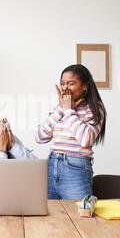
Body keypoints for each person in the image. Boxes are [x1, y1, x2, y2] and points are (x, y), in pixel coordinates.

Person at [36, 64, 106, 199]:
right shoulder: (60, 109)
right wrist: (61, 109)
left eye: (71, 83)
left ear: (85, 86)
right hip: (51, 165)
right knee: (51, 215)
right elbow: (40, 137)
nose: (65, 88)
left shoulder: (94, 108)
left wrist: (68, 110)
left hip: (75, 168)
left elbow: (86, 139)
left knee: (79, 215)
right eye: (62, 84)